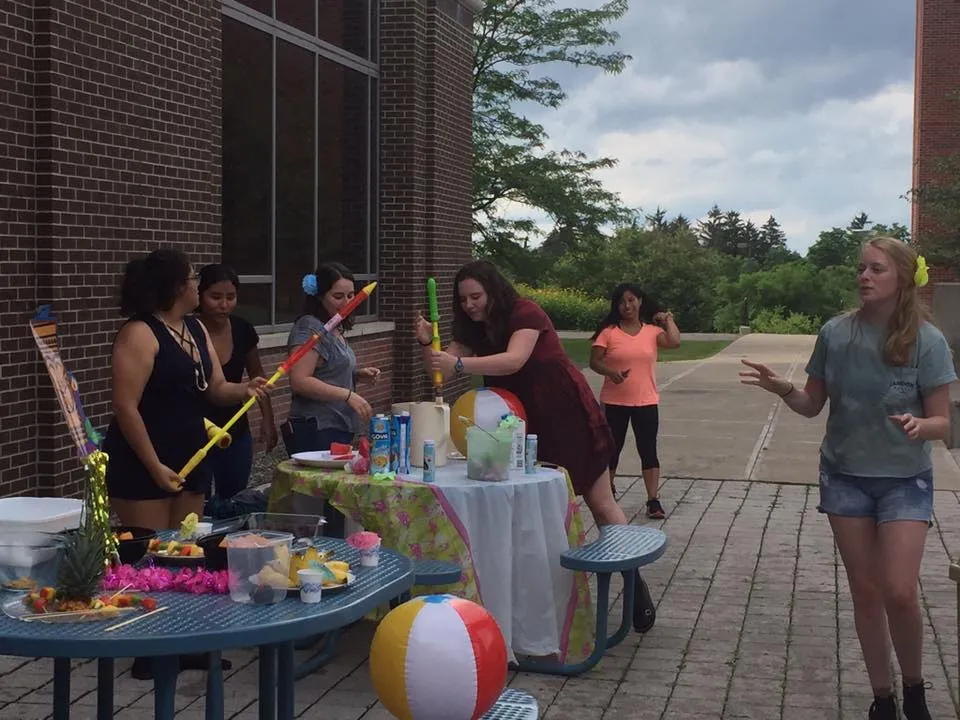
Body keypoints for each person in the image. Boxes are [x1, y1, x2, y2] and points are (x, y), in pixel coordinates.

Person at [740, 237, 955, 720]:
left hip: (904, 480)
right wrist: (784, 389)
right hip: (845, 478)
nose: (864, 276)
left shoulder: (928, 341)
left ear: (901, 277)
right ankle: (883, 698)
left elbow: (944, 422)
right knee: (865, 590)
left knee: (900, 589)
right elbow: (812, 406)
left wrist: (924, 426)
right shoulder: (835, 334)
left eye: (876, 268)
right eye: (861, 268)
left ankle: (915, 686)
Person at [415, 260, 656, 633]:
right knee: (537, 508)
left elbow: (514, 359)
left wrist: (457, 361)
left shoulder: (525, 312)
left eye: (475, 296)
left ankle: (634, 584)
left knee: (601, 504)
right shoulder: (471, 326)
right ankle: (542, 598)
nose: (469, 305)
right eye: (462, 300)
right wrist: (427, 345)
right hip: (517, 419)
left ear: (493, 290)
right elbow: (442, 369)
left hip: (565, 412)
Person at [103, 248, 269, 680]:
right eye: (193, 277)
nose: (198, 283)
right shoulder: (139, 333)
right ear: (177, 286)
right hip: (143, 459)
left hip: (192, 453)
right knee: (149, 555)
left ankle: (186, 641)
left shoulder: (194, 329)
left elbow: (214, 388)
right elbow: (125, 407)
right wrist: (154, 466)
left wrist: (246, 388)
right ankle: (149, 649)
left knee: (186, 551)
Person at [282, 261, 381, 537]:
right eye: (338, 296)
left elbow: (325, 370)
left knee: (337, 508)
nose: (347, 302)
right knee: (316, 515)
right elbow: (300, 379)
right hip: (315, 430)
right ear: (319, 296)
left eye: (351, 295)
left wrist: (356, 375)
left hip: (336, 427)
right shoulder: (309, 328)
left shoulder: (334, 328)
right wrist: (347, 394)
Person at [589, 283, 680, 517]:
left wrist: (667, 320)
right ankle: (607, 493)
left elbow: (674, 342)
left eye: (631, 300)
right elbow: (595, 361)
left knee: (648, 450)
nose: (626, 306)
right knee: (612, 450)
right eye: (621, 301)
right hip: (614, 402)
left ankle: (653, 500)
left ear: (640, 301)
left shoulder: (651, 331)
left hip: (646, 400)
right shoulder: (609, 332)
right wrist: (610, 372)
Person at [196, 264, 278, 500]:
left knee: (234, 497)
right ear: (199, 296)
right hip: (197, 428)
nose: (224, 305)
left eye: (230, 297)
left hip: (235, 426)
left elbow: (258, 375)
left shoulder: (242, 329)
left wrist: (268, 419)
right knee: (198, 499)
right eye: (215, 297)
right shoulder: (189, 331)